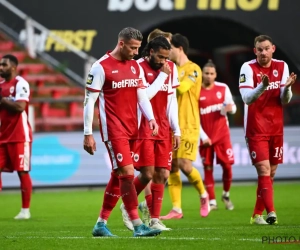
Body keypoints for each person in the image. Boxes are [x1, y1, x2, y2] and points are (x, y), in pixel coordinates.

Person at [83, 27, 162, 237]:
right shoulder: (101, 67)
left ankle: (101, 224)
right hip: (113, 128)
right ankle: (138, 226)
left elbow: (142, 96)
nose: (137, 52)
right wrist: (87, 133)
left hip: (132, 128)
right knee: (127, 173)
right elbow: (89, 101)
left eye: (138, 48)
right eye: (133, 48)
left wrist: (151, 118)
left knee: (118, 174)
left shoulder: (136, 67)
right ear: (121, 44)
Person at [120, 35, 180, 231]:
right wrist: (162, 75)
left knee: (163, 173)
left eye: (166, 57)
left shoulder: (170, 68)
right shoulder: (137, 67)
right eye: (161, 57)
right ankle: (127, 205)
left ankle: (155, 220)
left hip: (163, 127)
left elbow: (172, 101)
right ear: (151, 52)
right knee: (147, 174)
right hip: (144, 126)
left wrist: (176, 129)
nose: (164, 61)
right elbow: (144, 97)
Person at [239, 35, 297, 225]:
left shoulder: (282, 66)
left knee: (271, 173)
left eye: (266, 48)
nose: (263, 52)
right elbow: (247, 98)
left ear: (273, 48)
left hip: (275, 127)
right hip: (256, 127)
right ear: (254, 51)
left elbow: (284, 99)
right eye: (259, 49)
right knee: (263, 170)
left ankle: (257, 215)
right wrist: (262, 87)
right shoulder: (248, 68)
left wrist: (287, 88)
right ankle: (271, 212)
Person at [160, 34, 210, 220]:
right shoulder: (172, 68)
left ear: (179, 48)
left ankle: (204, 195)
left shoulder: (193, 69)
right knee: (172, 166)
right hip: (172, 126)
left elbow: (181, 88)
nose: (167, 52)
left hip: (189, 125)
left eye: (170, 48)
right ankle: (176, 209)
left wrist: (164, 77)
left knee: (185, 165)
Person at [199, 59, 236, 211]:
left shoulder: (223, 88)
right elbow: (194, 117)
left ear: (215, 75)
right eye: (206, 73)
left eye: (211, 73)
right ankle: (212, 201)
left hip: (222, 134)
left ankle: (226, 194)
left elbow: (232, 108)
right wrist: (202, 136)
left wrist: (229, 108)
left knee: (227, 166)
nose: (208, 76)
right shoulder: (196, 91)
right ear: (202, 74)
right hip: (206, 137)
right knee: (208, 168)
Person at [0, 54, 33, 219]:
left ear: (13, 67)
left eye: (4, 65)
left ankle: (25, 211)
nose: (1, 68)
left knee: (22, 172)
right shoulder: (0, 85)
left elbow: (20, 107)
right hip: (2, 135)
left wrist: (2, 100)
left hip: (20, 135)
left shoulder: (20, 83)